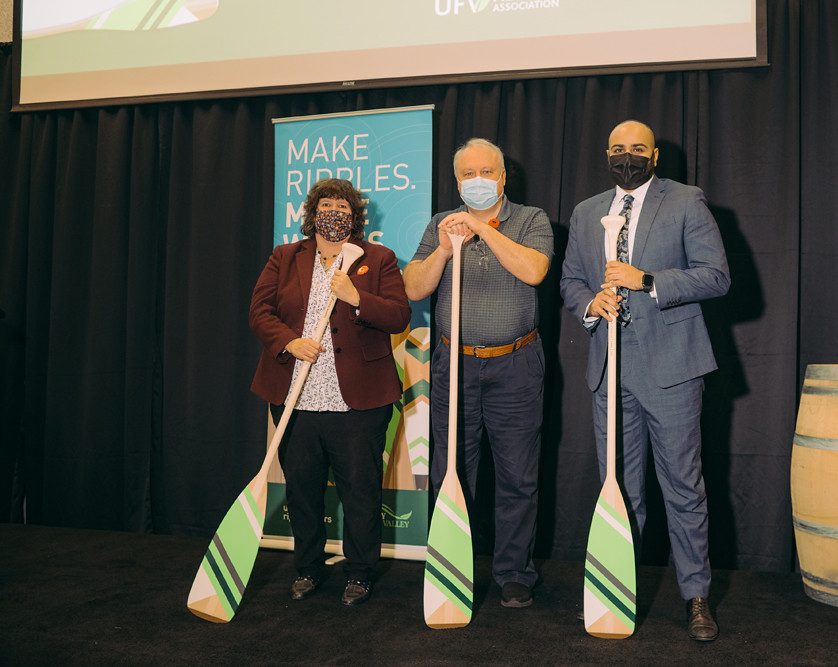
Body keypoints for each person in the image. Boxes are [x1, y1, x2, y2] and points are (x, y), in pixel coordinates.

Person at [560, 120, 730, 641]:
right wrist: (591, 302)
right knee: (621, 490)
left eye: (637, 149)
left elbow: (716, 275)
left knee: (682, 487)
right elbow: (570, 279)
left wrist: (646, 280)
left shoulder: (685, 200)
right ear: (605, 153)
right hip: (610, 371)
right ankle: (619, 592)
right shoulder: (588, 212)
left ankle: (696, 597)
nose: (626, 156)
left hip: (673, 367)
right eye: (617, 149)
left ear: (654, 154)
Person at [403, 138, 553, 608]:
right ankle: (454, 568)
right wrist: (447, 248)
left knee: (517, 477)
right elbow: (413, 287)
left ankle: (514, 573)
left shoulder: (531, 220)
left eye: (486, 171)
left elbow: (533, 271)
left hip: (516, 365)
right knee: (451, 472)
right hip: (455, 366)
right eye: (468, 174)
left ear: (503, 177)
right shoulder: (439, 225)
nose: (478, 181)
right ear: (457, 181)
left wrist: (482, 230)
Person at [249, 178, 411, 606]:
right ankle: (307, 568)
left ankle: (359, 573)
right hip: (297, 401)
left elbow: (398, 315)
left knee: (361, 492)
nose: (334, 211)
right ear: (312, 213)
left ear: (355, 215)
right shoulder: (284, 257)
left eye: (343, 205)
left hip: (358, 404)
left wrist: (356, 296)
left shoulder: (378, 259)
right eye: (326, 204)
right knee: (301, 492)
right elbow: (259, 311)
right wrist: (289, 341)